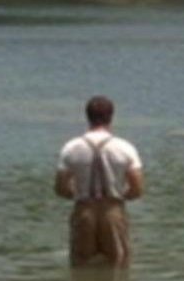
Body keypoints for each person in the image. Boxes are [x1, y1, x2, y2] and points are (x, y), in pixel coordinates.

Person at [55, 96, 144, 267]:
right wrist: (121, 197)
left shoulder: (71, 148)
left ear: (87, 116)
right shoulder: (125, 148)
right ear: (111, 117)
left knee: (80, 263)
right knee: (118, 263)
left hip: (84, 209)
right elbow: (138, 189)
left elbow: (60, 188)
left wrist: (76, 194)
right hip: (113, 209)